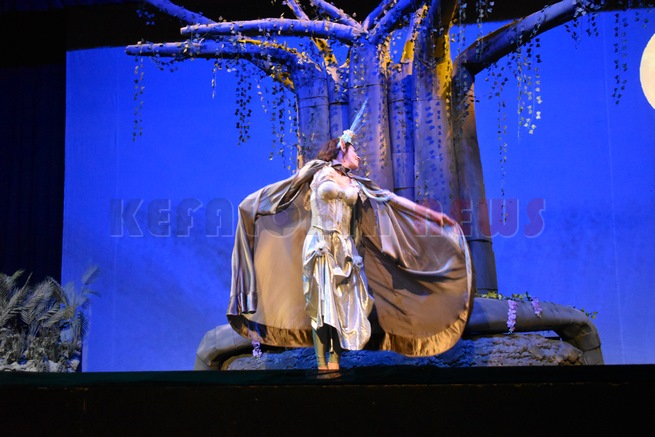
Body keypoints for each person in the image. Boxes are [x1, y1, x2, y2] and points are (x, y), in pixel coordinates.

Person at [227, 122, 473, 371]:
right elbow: (286, 190)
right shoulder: (317, 171)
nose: (359, 157)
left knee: (342, 308)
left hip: (344, 250)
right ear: (342, 148)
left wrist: (433, 216)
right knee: (321, 306)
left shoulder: (357, 183)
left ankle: (335, 362)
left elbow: (391, 199)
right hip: (320, 246)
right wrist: (252, 206)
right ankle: (322, 364)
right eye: (355, 151)